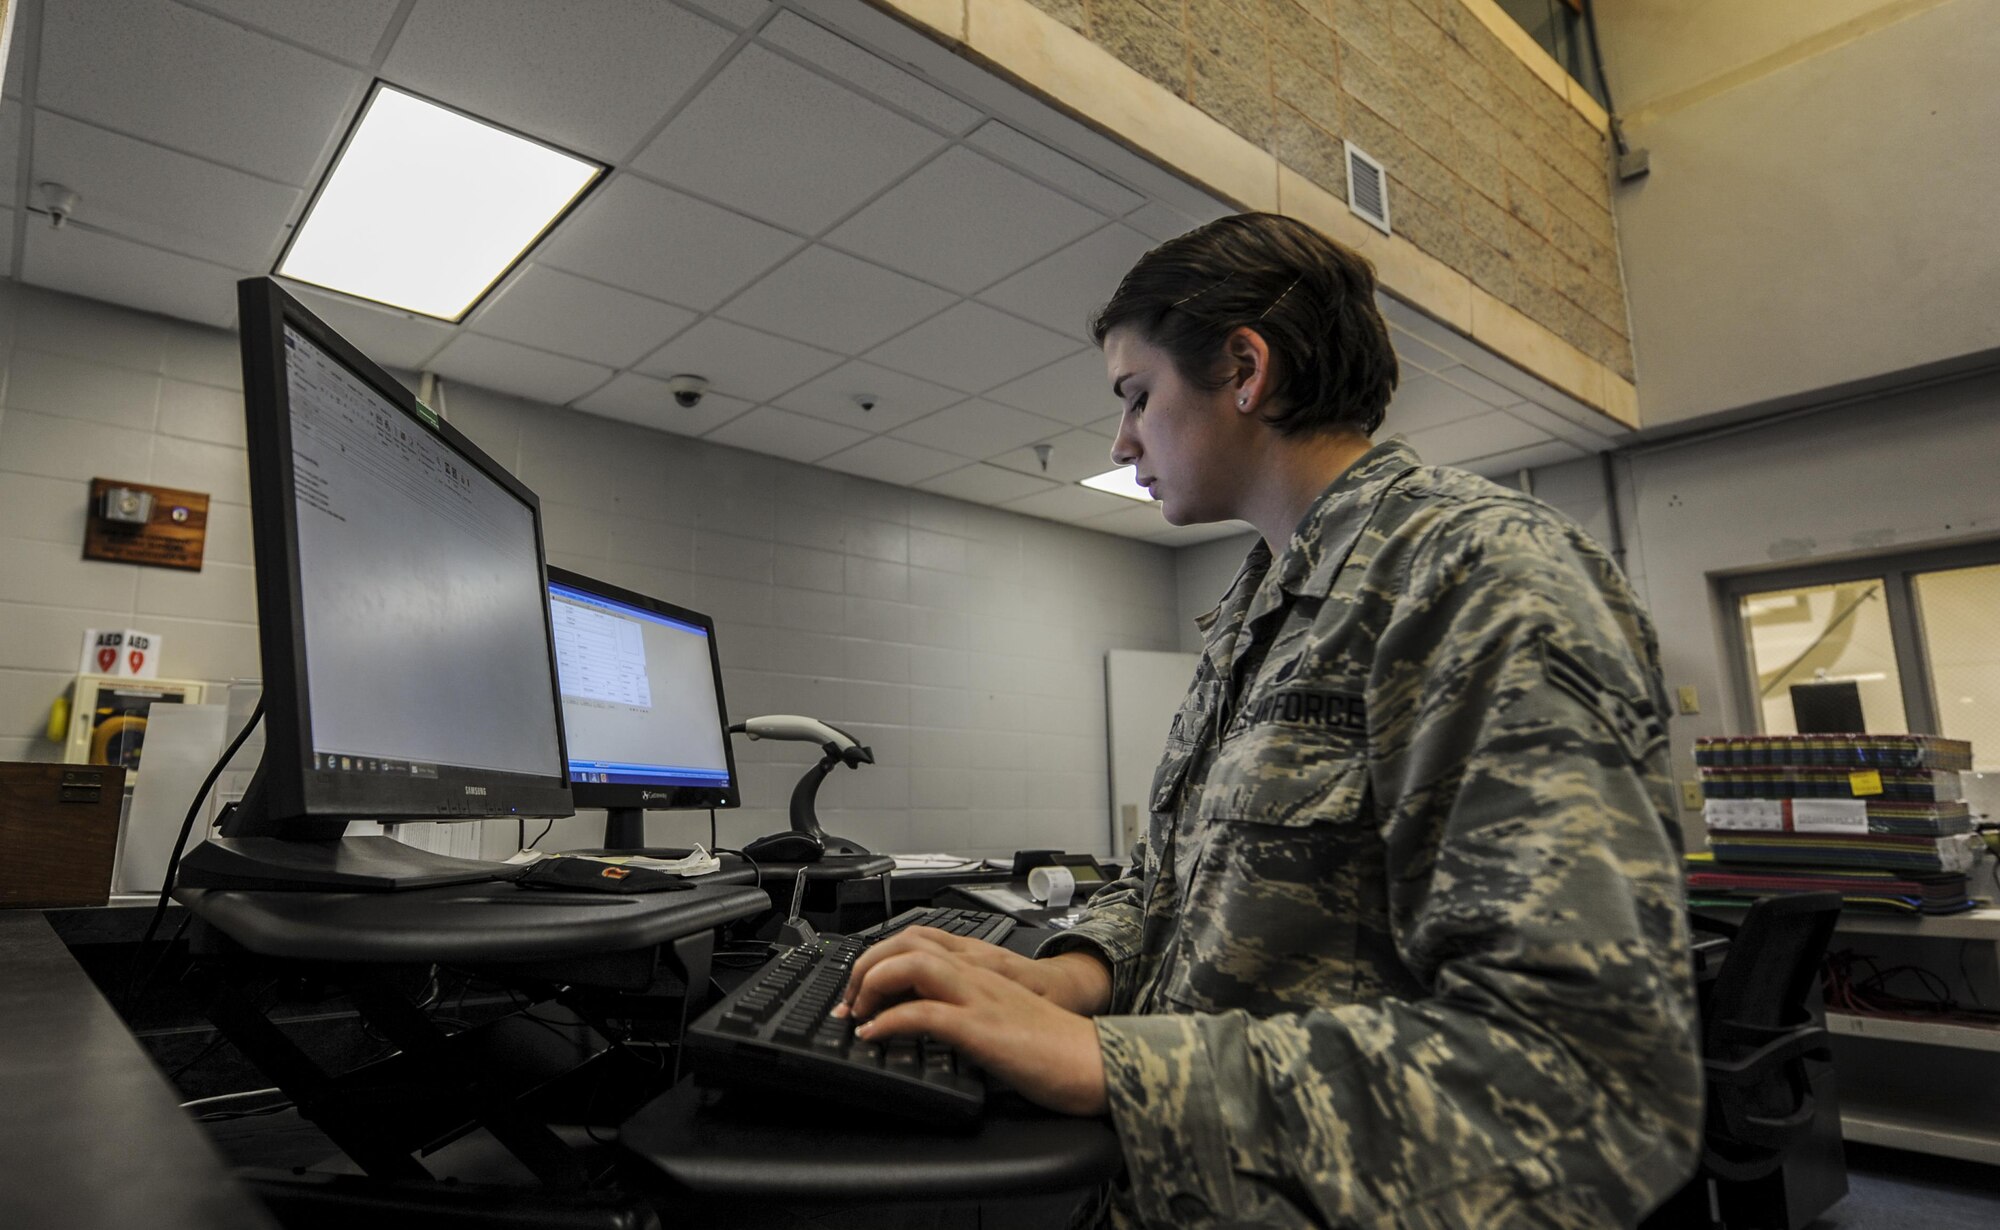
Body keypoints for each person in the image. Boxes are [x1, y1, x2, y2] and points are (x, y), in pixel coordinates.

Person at [836, 213, 1702, 1227]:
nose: (1121, 441)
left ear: (1243, 370)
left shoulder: (1480, 577)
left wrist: (1105, 1061)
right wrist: (1075, 972)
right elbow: (1180, 890)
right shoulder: (1256, 611)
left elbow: (1585, 1084)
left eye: (1135, 396)